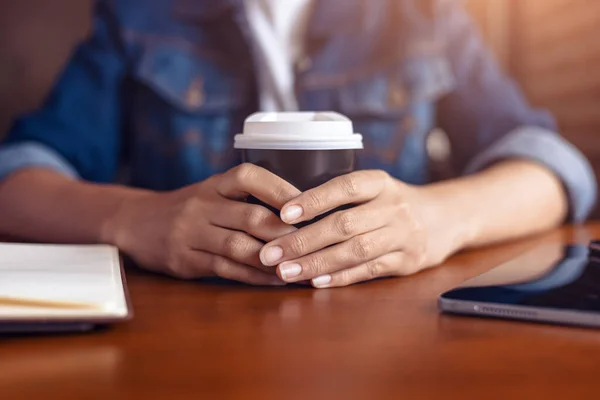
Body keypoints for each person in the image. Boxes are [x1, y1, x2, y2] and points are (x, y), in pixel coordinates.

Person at [0, 0, 595, 289]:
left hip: (380, 329)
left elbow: (551, 166)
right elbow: (17, 181)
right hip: (196, 327)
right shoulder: (140, 17)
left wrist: (439, 216)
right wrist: (134, 218)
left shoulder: (423, 16)